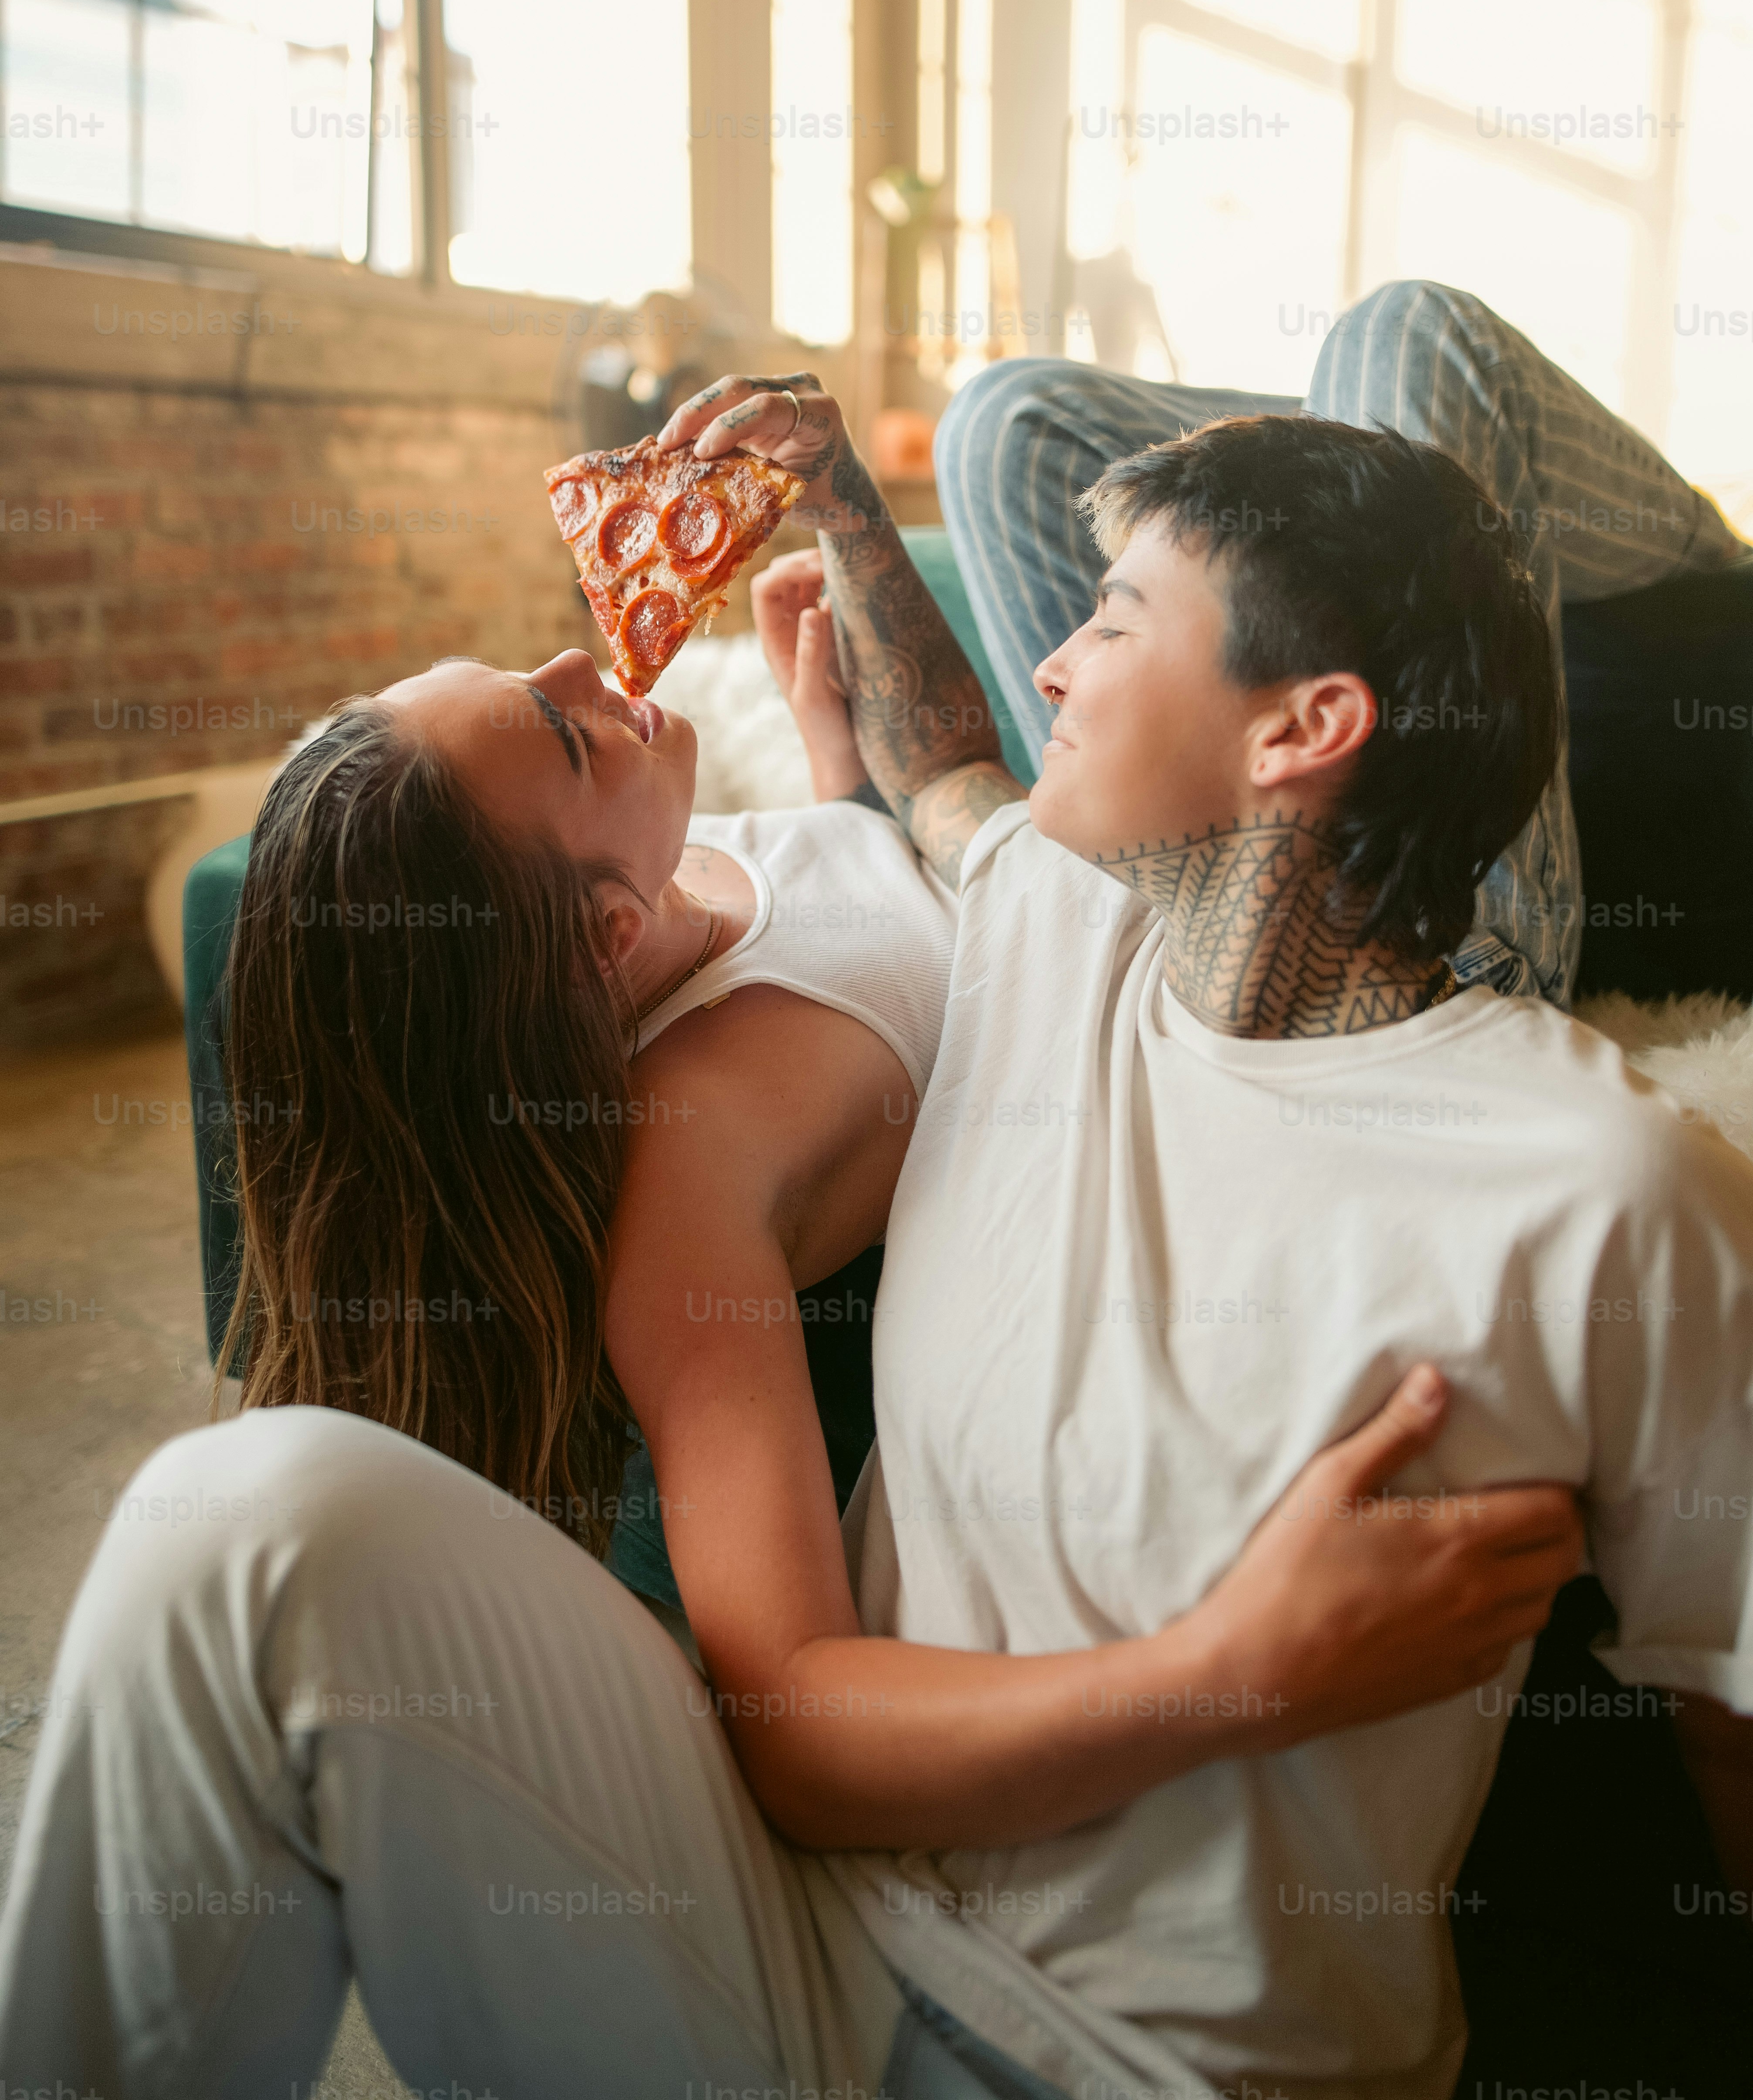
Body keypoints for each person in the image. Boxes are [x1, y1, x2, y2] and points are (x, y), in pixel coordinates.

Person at [0, 299, 1584, 2093]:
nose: (603, 667)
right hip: (831, 1972)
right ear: (600, 930)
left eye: (530, 672)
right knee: (225, 1513)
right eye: (571, 734)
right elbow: (788, 1710)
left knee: (1003, 420)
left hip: (901, 1957)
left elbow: (919, 846)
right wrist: (1234, 1665)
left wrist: (833, 719)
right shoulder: (697, 1163)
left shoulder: (707, 869)